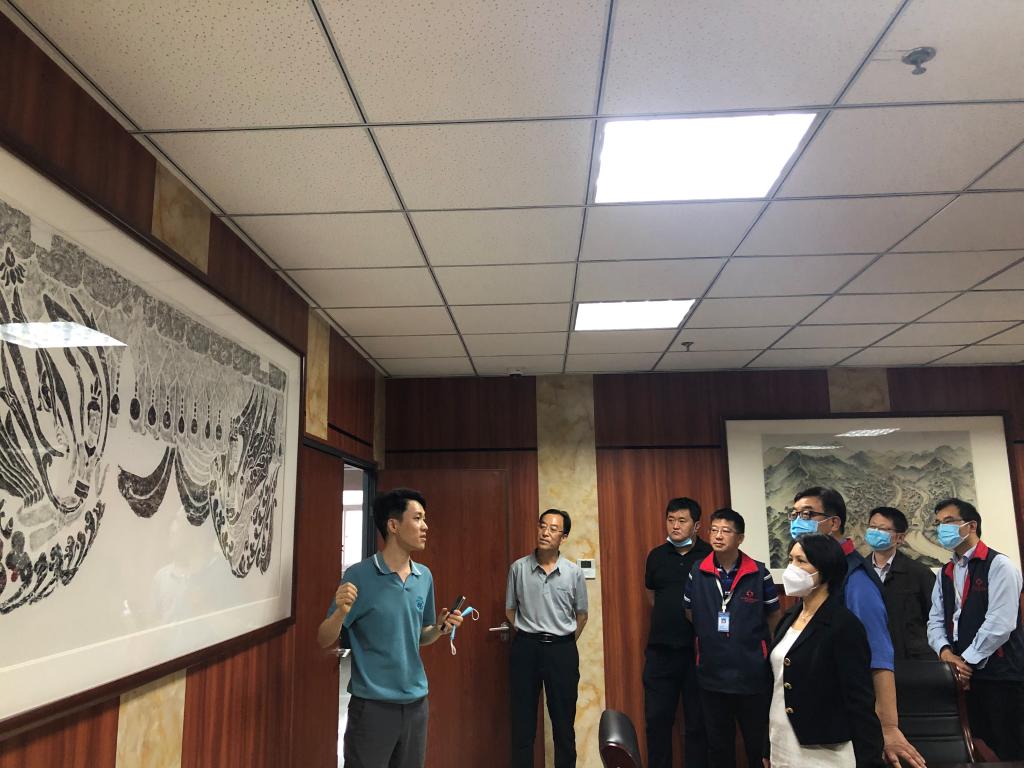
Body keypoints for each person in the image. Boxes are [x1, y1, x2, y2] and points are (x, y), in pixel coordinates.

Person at [316, 488, 462, 768]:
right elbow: (324, 639)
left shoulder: (424, 576)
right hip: (372, 706)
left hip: (416, 704)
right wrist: (341, 613)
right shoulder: (359, 575)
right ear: (393, 526)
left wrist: (439, 629)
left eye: (424, 519)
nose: (425, 526)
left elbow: (420, 636)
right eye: (417, 518)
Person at [790, 487, 925, 768]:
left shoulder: (855, 579)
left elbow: (879, 653)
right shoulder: (815, 578)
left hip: (847, 722)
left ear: (833, 523)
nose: (797, 522)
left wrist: (888, 726)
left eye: (807, 515)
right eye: (794, 514)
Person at [767, 534, 885, 767]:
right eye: (790, 560)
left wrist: (870, 758)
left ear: (825, 569)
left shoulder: (843, 624)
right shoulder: (789, 617)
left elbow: (859, 699)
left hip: (825, 749)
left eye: (801, 561)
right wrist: (766, 743)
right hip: (781, 740)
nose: (792, 568)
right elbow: (776, 685)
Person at [926, 498, 1024, 760]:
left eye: (948, 521)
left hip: (999, 675)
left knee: (1009, 750)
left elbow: (1001, 623)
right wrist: (946, 653)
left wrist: (965, 662)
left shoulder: (999, 565)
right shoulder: (945, 571)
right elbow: (935, 619)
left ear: (971, 526)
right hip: (959, 674)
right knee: (974, 748)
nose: (941, 529)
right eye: (938, 523)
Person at [684, 508, 780, 768]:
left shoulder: (759, 573)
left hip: (752, 675)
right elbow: (690, 611)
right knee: (718, 746)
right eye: (714, 530)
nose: (718, 536)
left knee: (757, 745)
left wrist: (761, 647)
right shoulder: (698, 571)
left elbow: (773, 615)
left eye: (726, 531)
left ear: (740, 538)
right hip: (712, 674)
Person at [506, 509, 589, 768]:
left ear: (564, 537)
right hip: (526, 649)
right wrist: (529, 633)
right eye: (542, 526)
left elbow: (582, 615)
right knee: (522, 723)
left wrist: (563, 641)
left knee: (563, 725)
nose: (545, 532)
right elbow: (510, 610)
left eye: (553, 529)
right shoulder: (518, 568)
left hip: (561, 651)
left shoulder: (573, 572)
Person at [643, 497, 712, 768]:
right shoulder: (656, 556)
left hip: (699, 651)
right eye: (671, 520)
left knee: (698, 723)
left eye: (682, 521)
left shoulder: (709, 555)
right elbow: (652, 597)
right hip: (660, 652)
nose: (675, 526)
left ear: (696, 526)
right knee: (657, 721)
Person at [864, 506, 936, 660]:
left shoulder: (919, 573)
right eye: (872, 527)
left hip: (911, 658)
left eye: (882, 529)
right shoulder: (858, 571)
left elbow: (935, 618)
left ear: (900, 538)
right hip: (869, 654)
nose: (875, 532)